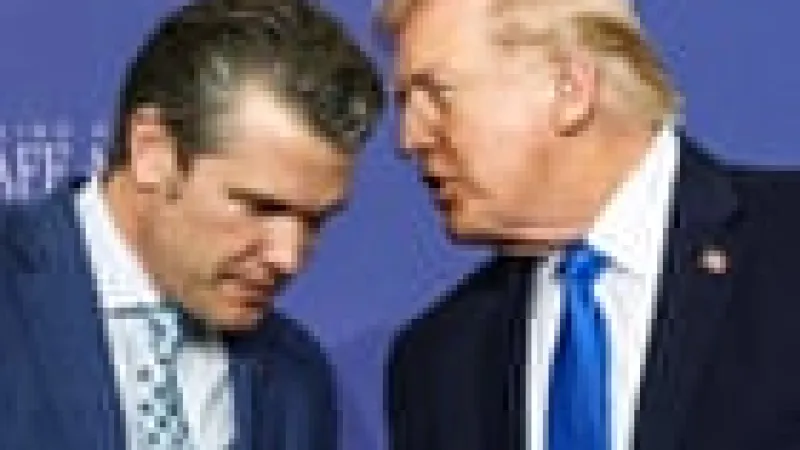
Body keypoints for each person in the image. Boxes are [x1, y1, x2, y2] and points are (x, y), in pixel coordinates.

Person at [379, 0, 800, 449]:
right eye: (405, 102)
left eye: (437, 93)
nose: (409, 139)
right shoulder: (437, 361)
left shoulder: (787, 244)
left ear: (570, 89)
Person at [0, 0, 384, 448]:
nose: (289, 257)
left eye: (316, 220)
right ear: (152, 153)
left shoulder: (297, 378)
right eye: (261, 206)